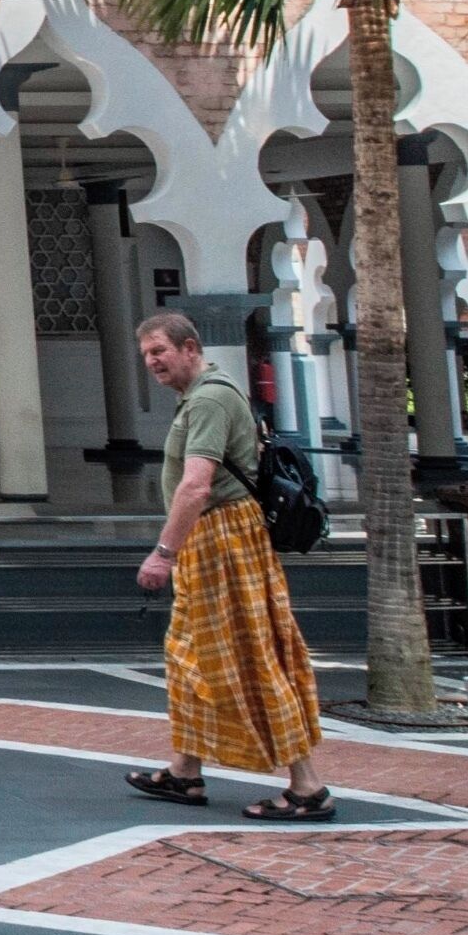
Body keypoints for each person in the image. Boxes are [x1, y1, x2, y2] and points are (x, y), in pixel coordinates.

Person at [128, 309, 332, 819]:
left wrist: (163, 552)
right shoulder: (201, 397)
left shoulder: (212, 399)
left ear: (191, 347)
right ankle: (185, 774)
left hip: (221, 538)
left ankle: (307, 787)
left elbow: (196, 485)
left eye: (160, 351)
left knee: (250, 656)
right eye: (147, 354)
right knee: (190, 657)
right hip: (212, 539)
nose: (153, 362)